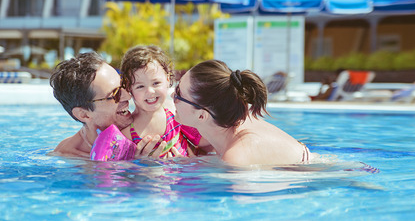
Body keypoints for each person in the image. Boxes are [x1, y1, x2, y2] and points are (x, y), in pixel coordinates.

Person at [172, 59, 311, 166]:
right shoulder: (229, 120)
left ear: (202, 115)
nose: (172, 95)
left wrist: (187, 167)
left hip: (302, 173)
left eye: (179, 93)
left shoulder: (236, 156)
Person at [49, 51, 166, 158]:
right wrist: (134, 167)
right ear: (84, 114)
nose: (128, 96)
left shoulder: (147, 120)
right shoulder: (71, 158)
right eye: (115, 94)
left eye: (124, 85)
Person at [120, 45, 210, 157]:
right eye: (140, 86)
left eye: (156, 83)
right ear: (129, 88)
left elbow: (207, 142)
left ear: (167, 80)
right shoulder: (126, 134)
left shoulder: (177, 116)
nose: (150, 91)